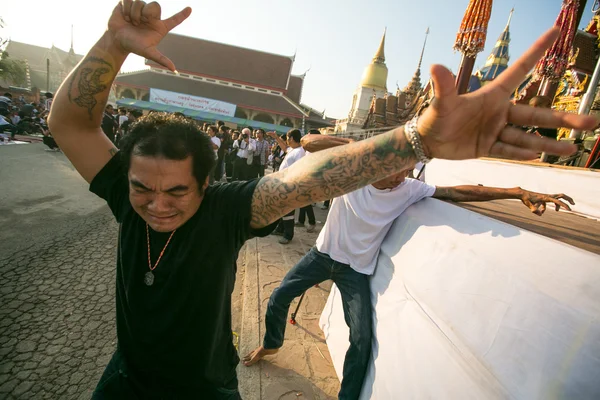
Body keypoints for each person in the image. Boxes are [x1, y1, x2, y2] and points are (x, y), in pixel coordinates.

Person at [46, 2, 593, 397]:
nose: (157, 204)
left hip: (202, 387)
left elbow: (309, 180)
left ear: (207, 185)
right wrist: (113, 45)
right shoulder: (125, 192)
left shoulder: (226, 211)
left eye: (176, 191)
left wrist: (417, 140)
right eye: (143, 188)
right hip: (124, 380)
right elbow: (69, 121)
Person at [243, 140, 575, 399]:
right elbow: (309, 141)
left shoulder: (409, 189)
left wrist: (517, 193)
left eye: (407, 170)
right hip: (322, 254)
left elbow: (461, 192)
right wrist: (365, 147)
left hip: (355, 270)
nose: (401, 177)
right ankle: (272, 343)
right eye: (395, 168)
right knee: (279, 295)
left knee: (361, 339)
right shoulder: (353, 173)